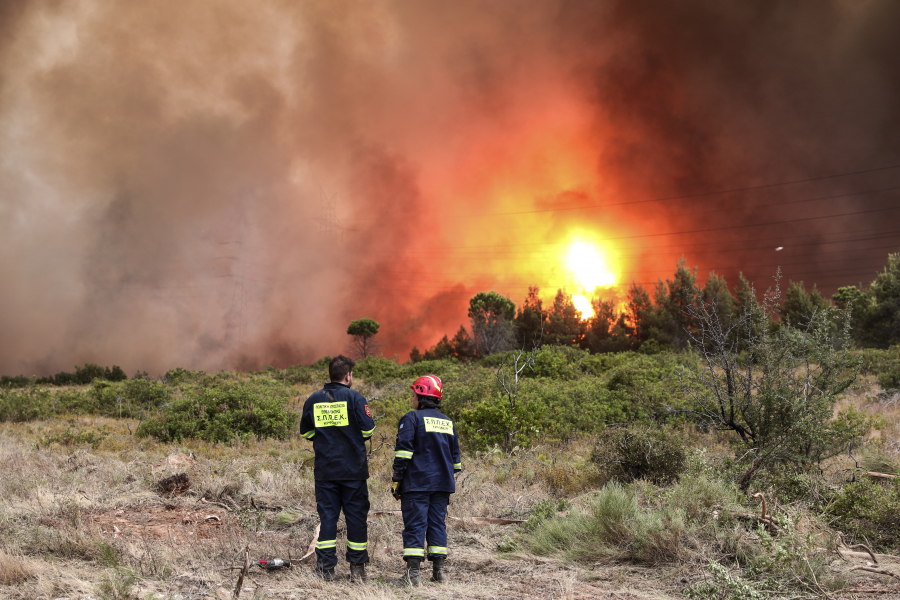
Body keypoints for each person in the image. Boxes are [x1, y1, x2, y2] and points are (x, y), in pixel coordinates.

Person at [299, 355, 375, 582]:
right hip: (353, 471)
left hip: (326, 471)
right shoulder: (355, 398)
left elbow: (306, 433)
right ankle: (357, 569)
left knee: (328, 519)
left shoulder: (313, 400)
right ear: (347, 375)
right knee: (356, 519)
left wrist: (326, 438)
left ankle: (325, 570)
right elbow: (368, 431)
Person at [391, 374, 462, 586]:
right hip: (442, 485)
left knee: (415, 525)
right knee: (437, 525)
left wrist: (396, 480)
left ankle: (412, 576)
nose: (412, 397)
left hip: (417, 484)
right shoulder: (448, 422)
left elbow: (403, 453)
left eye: (414, 393)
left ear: (421, 394)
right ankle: (439, 573)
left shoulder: (411, 419)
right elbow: (456, 463)